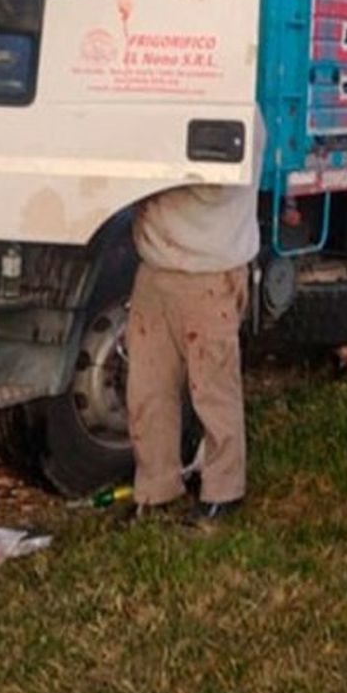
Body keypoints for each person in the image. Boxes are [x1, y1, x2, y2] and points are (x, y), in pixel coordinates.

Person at [125, 122, 263, 525]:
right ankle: (156, 489)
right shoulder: (169, 98)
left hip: (210, 272)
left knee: (213, 390)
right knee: (147, 388)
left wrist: (151, 168)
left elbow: (216, 184)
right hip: (155, 268)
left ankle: (224, 490)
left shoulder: (240, 114)